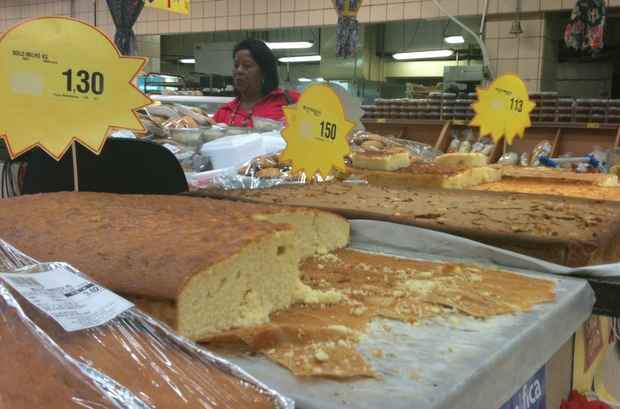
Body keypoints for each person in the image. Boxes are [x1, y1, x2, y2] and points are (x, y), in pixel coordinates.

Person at [213, 39, 299, 128]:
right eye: (236, 65)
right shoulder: (224, 112)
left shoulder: (290, 100)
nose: (239, 71)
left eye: (247, 66)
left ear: (264, 71)